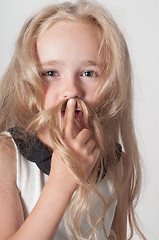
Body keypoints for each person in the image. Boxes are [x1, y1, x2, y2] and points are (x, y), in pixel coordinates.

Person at [0, 0, 146, 239]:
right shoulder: (7, 156)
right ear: (28, 79)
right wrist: (62, 181)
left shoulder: (118, 166)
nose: (71, 90)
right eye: (51, 73)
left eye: (89, 73)